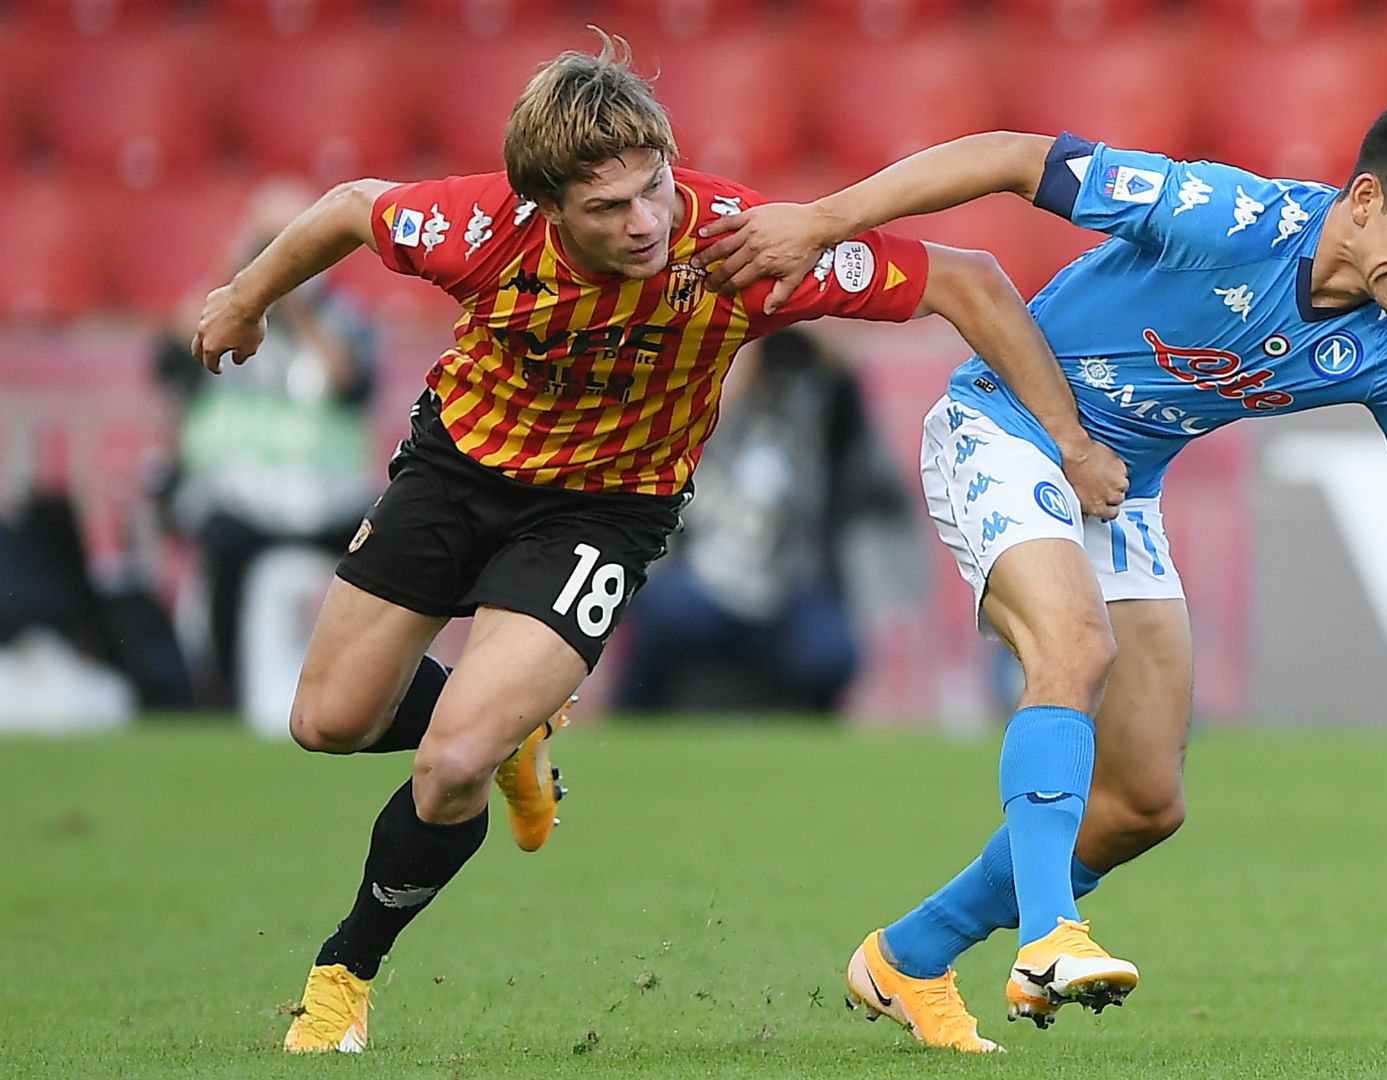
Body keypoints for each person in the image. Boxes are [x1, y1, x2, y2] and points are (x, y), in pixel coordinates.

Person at [190, 29, 1121, 1055]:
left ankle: (343, 978)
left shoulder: (735, 247)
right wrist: (245, 300)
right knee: (326, 721)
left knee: (451, 762)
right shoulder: (473, 227)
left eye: (655, 189)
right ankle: (516, 727)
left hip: (604, 511)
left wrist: (1071, 443)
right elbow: (346, 207)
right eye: (609, 208)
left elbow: (970, 279)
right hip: (455, 473)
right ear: (546, 208)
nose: (645, 223)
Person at [696, 97, 1387, 1051]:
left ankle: (908, 958)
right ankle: (1051, 937)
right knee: (1076, 649)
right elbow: (1014, 157)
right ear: (1367, 198)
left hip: (1117, 490)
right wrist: (826, 218)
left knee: (1143, 802)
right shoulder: (1226, 217)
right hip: (1004, 426)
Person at [156, 178, 379, 708]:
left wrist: (296, 301)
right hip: (235, 495)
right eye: (267, 241)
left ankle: (366, 690)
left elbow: (353, 383)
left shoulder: (344, 317)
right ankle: (221, 693)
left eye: (290, 240)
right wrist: (236, 283)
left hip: (326, 497)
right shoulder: (218, 311)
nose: (277, 253)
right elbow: (170, 359)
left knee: (385, 556)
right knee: (225, 554)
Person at [617, 327, 912, 713]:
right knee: (659, 615)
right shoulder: (719, 400)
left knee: (830, 654)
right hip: (709, 579)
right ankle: (632, 716)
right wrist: (736, 372)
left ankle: (810, 726)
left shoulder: (826, 408)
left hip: (794, 587)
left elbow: (862, 464)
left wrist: (833, 367)